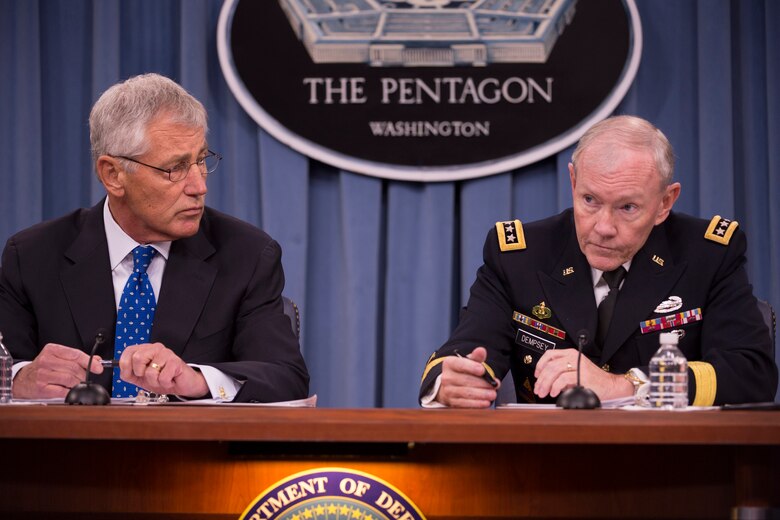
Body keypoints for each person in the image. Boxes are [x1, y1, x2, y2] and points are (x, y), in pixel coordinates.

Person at [420, 115, 777, 408]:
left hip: (674, 469)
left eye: (628, 207)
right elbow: (463, 353)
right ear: (573, 181)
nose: (603, 228)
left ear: (665, 202)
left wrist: (625, 385)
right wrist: (451, 383)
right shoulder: (519, 257)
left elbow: (752, 374)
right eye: (590, 200)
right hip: (543, 466)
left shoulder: (707, 255)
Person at [0, 73, 309, 402]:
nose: (199, 186)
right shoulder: (32, 256)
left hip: (192, 451)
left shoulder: (246, 255)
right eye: (175, 168)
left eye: (201, 161)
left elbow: (285, 376)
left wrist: (199, 380)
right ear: (113, 175)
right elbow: (8, 363)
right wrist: (19, 378)